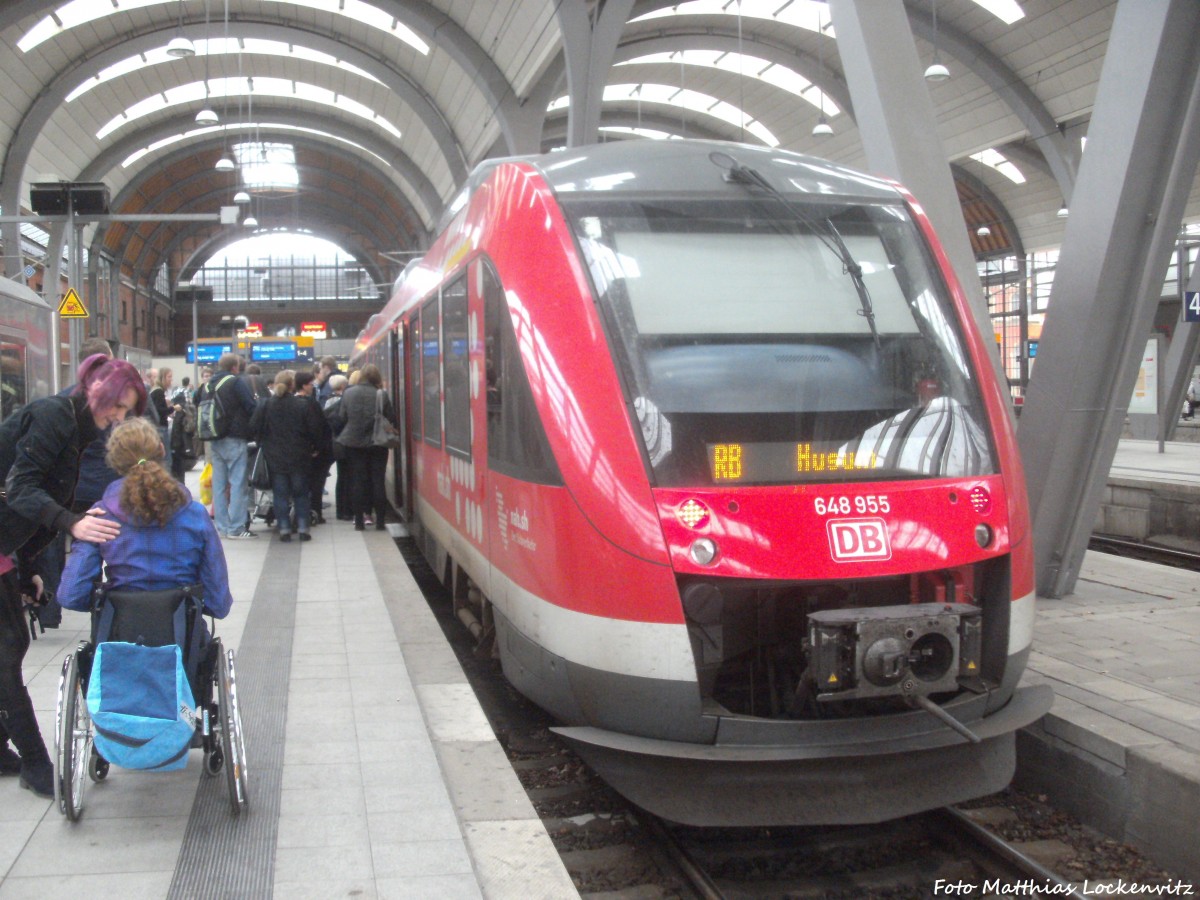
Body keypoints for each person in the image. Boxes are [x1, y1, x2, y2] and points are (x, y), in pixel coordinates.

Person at [0, 354, 146, 798]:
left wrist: (25, 571)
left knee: (14, 644)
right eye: (116, 407)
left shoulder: (72, 428)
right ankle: (36, 762)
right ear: (95, 392)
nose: (117, 419)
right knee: (5, 654)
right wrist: (73, 523)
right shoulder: (53, 416)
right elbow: (21, 487)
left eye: (127, 412)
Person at [58, 417, 233, 645]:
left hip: (118, 638)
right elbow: (218, 603)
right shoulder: (195, 515)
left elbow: (71, 594)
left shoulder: (100, 517)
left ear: (113, 462)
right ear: (161, 449)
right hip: (183, 640)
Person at [34, 336, 119, 630]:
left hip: (70, 490)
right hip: (108, 490)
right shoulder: (120, 402)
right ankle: (101, 605)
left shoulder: (62, 399)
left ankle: (51, 608)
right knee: (111, 549)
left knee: (56, 546)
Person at [251, 370, 325, 542]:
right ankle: (303, 528)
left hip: (275, 457)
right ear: (292, 385)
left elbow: (254, 426)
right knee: (301, 493)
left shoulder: (266, 404)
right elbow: (315, 430)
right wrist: (315, 448)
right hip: (300, 456)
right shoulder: (302, 405)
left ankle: (284, 529)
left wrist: (263, 442)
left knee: (280, 494)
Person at [202, 353, 259, 539]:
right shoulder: (235, 382)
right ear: (235, 367)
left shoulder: (208, 383)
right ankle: (236, 528)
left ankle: (222, 526)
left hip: (214, 439)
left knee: (218, 484)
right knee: (237, 483)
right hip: (234, 437)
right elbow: (251, 406)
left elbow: (197, 401)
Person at [334, 363, 393, 531]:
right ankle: (380, 522)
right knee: (377, 480)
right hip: (378, 443)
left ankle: (359, 521)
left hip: (354, 443)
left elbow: (342, 416)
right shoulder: (381, 395)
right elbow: (391, 417)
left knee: (357, 481)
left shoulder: (349, 393)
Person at [298, 370, 334, 525]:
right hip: (315, 452)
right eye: (311, 384)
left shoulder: (294, 402)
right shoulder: (311, 404)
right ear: (304, 385)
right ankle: (315, 512)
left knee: (303, 484)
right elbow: (319, 427)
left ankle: (305, 513)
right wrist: (317, 448)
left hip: (299, 451)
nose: (313, 386)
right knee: (317, 484)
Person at [323, 374, 351, 521]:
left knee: (341, 476)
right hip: (346, 441)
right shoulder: (343, 401)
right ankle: (348, 509)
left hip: (336, 442)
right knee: (349, 476)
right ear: (343, 386)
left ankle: (341, 511)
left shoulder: (328, 401)